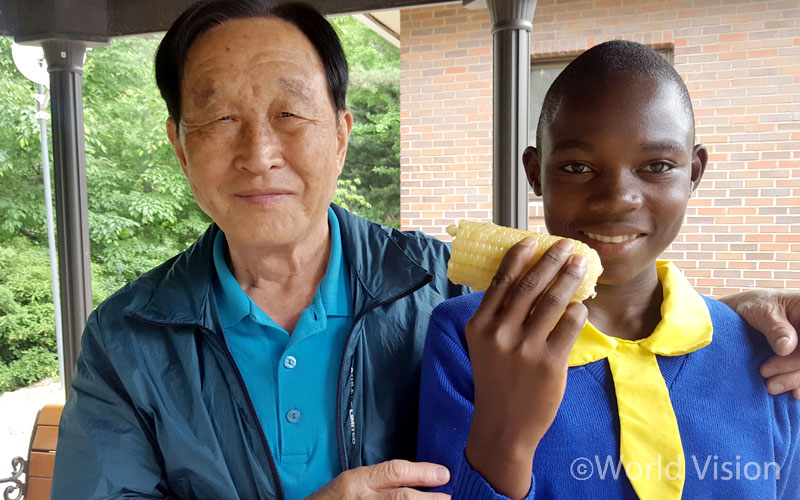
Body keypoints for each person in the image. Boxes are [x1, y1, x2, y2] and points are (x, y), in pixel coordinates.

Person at [49, 0, 799, 497]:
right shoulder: (128, 341)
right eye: (219, 120)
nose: (261, 153)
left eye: (289, 112)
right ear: (179, 145)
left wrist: (739, 316)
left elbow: (607, 303)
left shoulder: (438, 287)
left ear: (342, 134)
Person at [417, 41, 799, 499]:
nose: (618, 197)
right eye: (578, 167)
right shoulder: (470, 335)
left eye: (657, 166)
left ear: (693, 172)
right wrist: (507, 437)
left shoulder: (772, 355)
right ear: (536, 173)